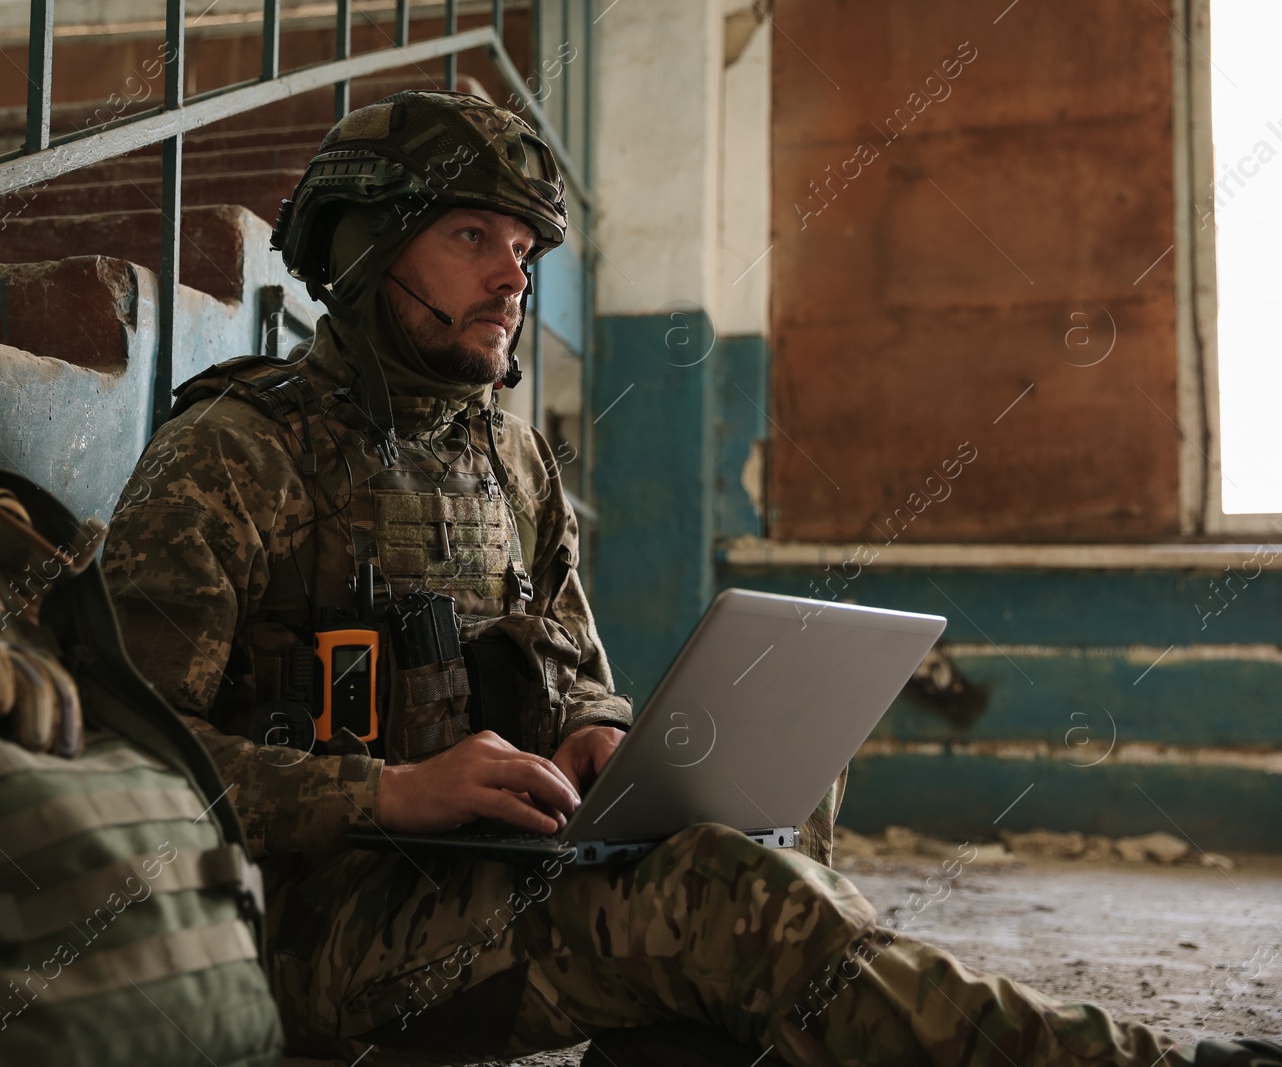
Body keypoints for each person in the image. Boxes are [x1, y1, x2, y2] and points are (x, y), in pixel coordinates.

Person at [101, 90, 1278, 1067]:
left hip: (470, 868)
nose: (511, 278)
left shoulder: (510, 459)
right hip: (304, 922)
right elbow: (115, 773)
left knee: (767, 802)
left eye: (523, 249)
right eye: (472, 237)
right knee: (721, 899)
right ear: (362, 247)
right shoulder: (235, 455)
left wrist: (598, 738)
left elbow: (580, 679)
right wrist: (385, 792)